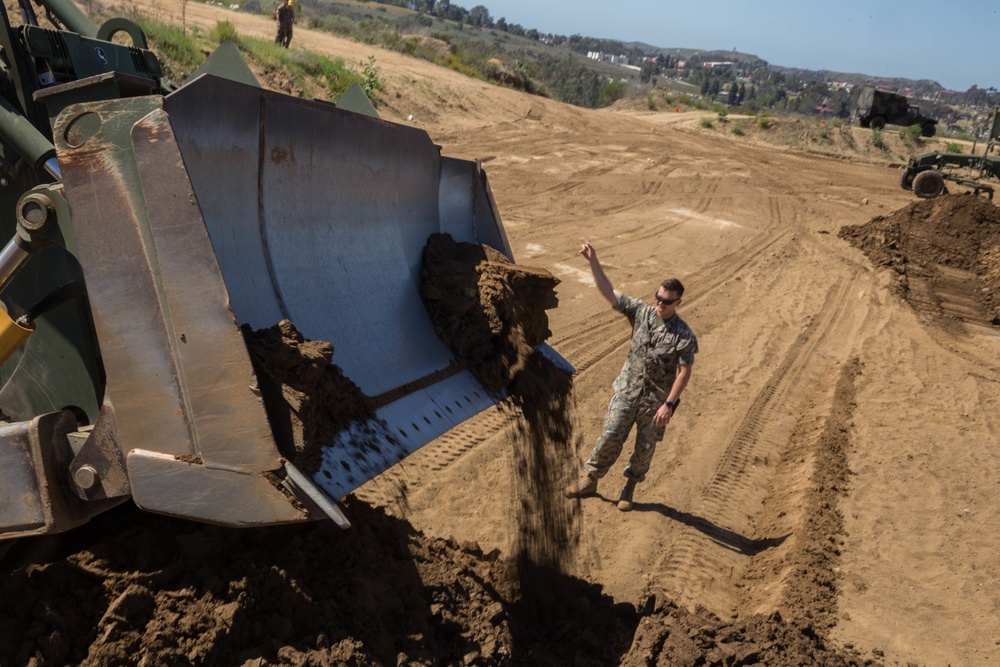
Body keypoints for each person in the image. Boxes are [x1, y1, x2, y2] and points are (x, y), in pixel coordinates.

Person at [566, 239, 698, 511]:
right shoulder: (641, 313)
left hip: (656, 403)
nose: (660, 303)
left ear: (678, 302)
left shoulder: (684, 335)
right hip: (627, 392)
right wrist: (594, 262)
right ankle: (590, 479)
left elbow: (684, 373)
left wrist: (669, 405)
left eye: (666, 301)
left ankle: (630, 487)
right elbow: (609, 291)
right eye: (658, 298)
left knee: (644, 448)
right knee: (610, 435)